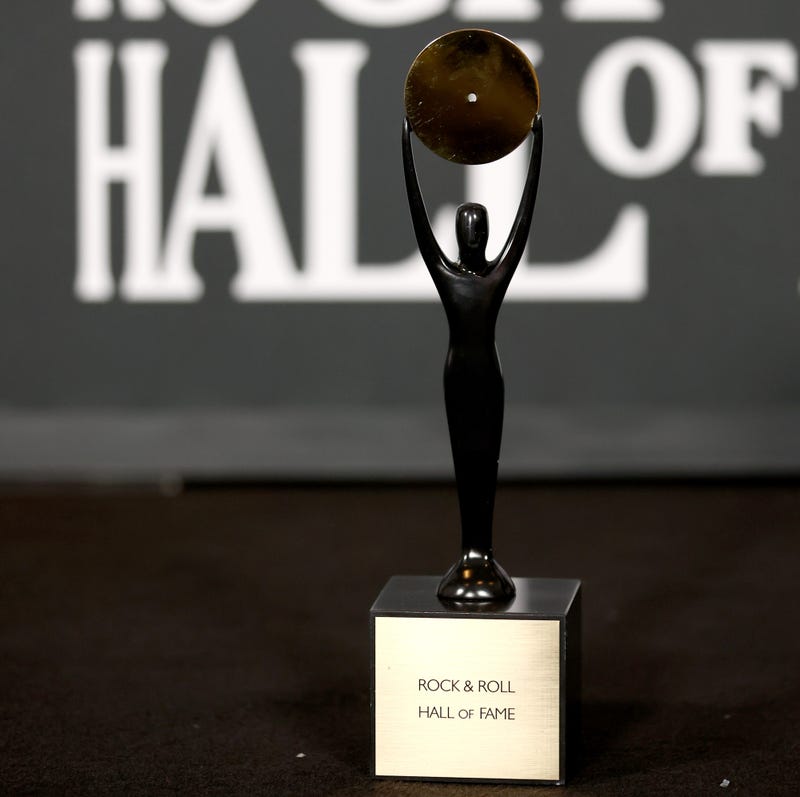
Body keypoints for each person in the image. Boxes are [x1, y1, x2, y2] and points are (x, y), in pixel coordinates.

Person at [402, 114, 543, 601]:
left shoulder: (494, 274)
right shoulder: (449, 275)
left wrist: (536, 147)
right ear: (459, 232)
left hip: (488, 375)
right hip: (458, 374)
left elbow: (523, 220)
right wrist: (408, 147)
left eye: (479, 225)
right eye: (467, 226)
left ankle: (481, 553)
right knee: (466, 458)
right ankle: (470, 554)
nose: (474, 233)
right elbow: (419, 217)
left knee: (486, 458)